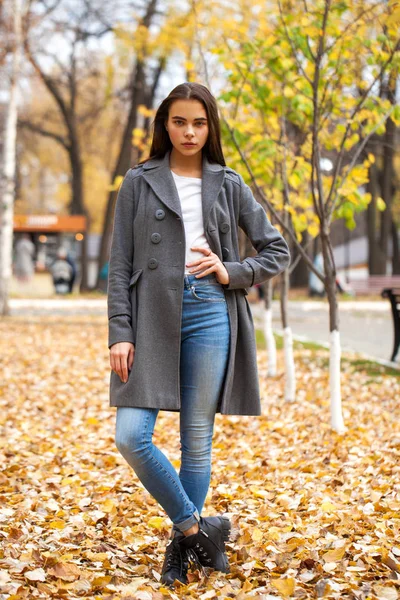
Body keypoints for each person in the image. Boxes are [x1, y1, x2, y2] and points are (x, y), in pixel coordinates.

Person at [107, 82, 291, 587]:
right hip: (148, 317)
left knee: (197, 442)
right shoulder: (138, 181)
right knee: (131, 436)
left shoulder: (228, 183)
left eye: (199, 123)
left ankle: (181, 551)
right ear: (164, 124)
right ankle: (198, 529)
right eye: (179, 121)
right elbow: (120, 264)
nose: (189, 132)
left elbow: (277, 251)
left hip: (210, 310)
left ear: (210, 127)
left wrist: (230, 271)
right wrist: (119, 331)